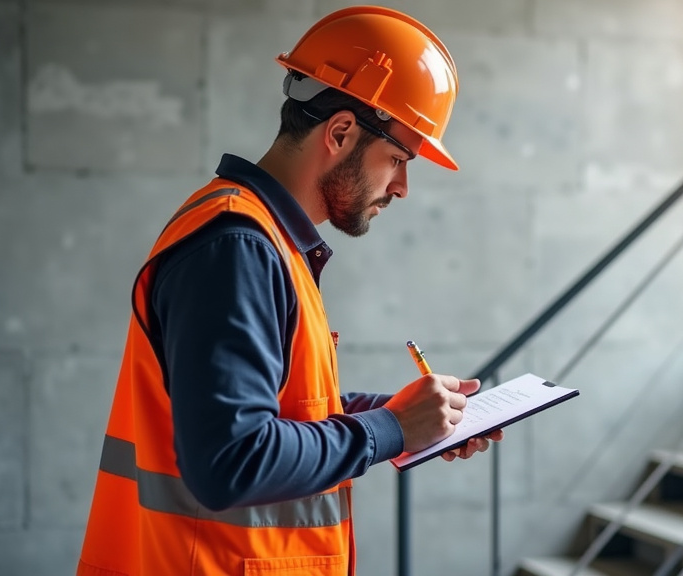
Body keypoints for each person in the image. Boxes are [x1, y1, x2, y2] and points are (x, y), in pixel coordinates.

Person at [76, 6, 502, 575]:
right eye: (398, 159)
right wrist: (392, 429)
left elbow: (275, 413)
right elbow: (231, 459)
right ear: (341, 132)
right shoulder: (236, 249)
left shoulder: (264, 241)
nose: (402, 187)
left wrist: (408, 418)